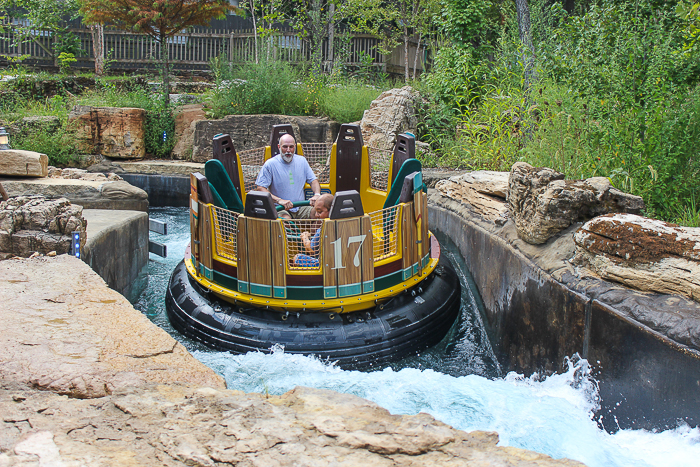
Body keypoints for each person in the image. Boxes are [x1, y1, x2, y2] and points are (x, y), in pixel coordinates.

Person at [255, 133, 321, 219]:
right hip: (281, 208)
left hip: (300, 207)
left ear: (295, 147)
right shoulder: (270, 164)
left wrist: (317, 194)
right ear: (279, 147)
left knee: (319, 214)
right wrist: (279, 200)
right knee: (286, 221)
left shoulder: (302, 161)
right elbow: (261, 188)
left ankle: (313, 233)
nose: (288, 150)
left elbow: (313, 181)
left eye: (291, 147)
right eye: (285, 147)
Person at [293, 193, 333, 268]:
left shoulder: (323, 228)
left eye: (320, 212)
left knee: (297, 257)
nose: (316, 215)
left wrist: (305, 237)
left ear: (331, 210)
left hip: (327, 265)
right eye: (316, 211)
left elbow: (311, 249)